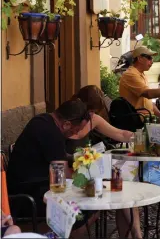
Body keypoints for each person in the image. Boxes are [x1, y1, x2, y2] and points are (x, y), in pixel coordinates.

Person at [7, 98, 132, 236]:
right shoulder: (51, 133)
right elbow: (63, 176)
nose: (75, 134)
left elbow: (57, 160)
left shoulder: (43, 120)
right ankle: (60, 234)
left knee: (90, 202)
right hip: (27, 198)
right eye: (76, 130)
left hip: (26, 189)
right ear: (66, 124)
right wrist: (90, 181)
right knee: (86, 209)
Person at [67, 85, 141, 239]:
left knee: (121, 183)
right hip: (73, 171)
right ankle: (136, 234)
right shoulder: (68, 118)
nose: (92, 114)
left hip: (88, 168)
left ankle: (135, 234)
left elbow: (120, 133)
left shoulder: (93, 119)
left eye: (94, 111)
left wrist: (140, 137)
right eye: (91, 110)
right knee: (120, 184)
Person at [119, 46, 160, 118]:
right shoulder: (131, 75)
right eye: (149, 58)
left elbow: (148, 102)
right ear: (140, 58)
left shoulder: (141, 74)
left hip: (146, 118)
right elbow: (149, 94)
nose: (152, 61)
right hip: (137, 120)